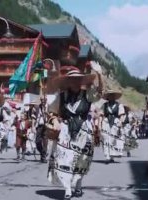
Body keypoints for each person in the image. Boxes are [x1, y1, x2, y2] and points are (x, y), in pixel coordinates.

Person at [47, 69, 101, 200]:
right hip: (65, 130)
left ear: (81, 81)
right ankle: (68, 189)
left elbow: (99, 94)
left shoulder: (88, 94)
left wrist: (99, 76)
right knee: (65, 158)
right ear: (68, 82)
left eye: (78, 79)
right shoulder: (61, 96)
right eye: (73, 80)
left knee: (81, 159)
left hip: (84, 130)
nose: (75, 82)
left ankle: (78, 183)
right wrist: (55, 121)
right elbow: (52, 112)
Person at [100, 90, 125, 163]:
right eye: (110, 95)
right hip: (106, 122)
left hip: (115, 123)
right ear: (108, 97)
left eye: (113, 95)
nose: (111, 97)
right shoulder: (104, 105)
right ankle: (107, 156)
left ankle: (112, 155)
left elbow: (121, 115)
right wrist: (99, 124)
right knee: (105, 139)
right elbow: (101, 115)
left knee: (113, 139)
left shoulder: (119, 105)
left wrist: (120, 122)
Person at [34, 96, 48, 163]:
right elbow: (33, 117)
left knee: (45, 142)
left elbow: (53, 116)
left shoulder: (48, 107)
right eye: (42, 100)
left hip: (46, 127)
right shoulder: (37, 107)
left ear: (46, 100)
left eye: (44, 100)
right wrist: (33, 127)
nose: (43, 101)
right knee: (37, 142)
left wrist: (47, 113)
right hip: (39, 126)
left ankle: (44, 157)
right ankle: (42, 153)